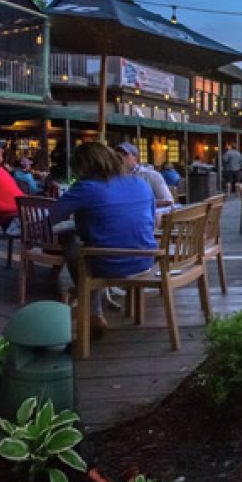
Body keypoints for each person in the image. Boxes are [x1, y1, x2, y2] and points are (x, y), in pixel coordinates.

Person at [51, 142, 157, 337]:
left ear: (83, 166)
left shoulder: (87, 187)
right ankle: (92, 308)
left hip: (108, 264)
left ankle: (92, 312)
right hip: (145, 260)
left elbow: (54, 215)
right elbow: (151, 220)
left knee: (70, 241)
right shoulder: (140, 182)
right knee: (93, 246)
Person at [115, 143, 175, 207]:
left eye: (125, 154)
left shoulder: (151, 175)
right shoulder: (114, 177)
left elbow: (168, 201)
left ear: (135, 158)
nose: (120, 158)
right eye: (117, 155)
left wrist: (141, 202)